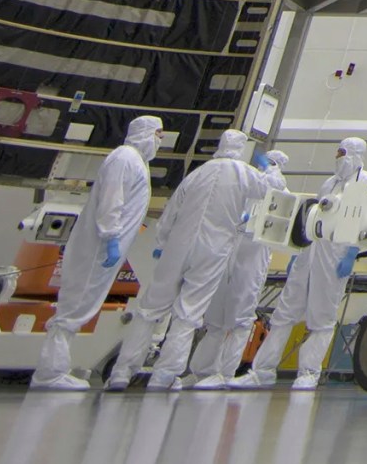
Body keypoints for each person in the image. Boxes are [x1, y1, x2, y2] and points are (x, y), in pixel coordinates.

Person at [109, 129, 266, 390]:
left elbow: (172, 209)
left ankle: (122, 373)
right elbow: (270, 191)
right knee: (188, 312)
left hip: (177, 246)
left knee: (150, 309)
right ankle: (164, 376)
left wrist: (161, 242)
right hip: (212, 251)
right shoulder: (243, 172)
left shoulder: (199, 173)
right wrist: (267, 169)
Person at [31, 115, 162, 390]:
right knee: (75, 305)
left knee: (81, 304)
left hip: (104, 247)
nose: (159, 142)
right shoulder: (125, 158)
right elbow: (111, 201)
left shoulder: (136, 161)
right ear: (144, 133)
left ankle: (56, 369)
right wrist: (112, 236)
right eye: (157, 135)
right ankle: (49, 373)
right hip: (98, 246)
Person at [241, 137, 367, 390]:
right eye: (337, 152)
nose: (338, 157)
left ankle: (309, 372)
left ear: (357, 154)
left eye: (343, 152)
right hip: (311, 251)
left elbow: (365, 221)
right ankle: (262, 370)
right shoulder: (329, 183)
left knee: (322, 315)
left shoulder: (366, 182)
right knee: (285, 310)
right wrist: (297, 252)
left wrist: (352, 253)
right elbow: (314, 217)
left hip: (336, 255)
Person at [192, 149, 287, 388]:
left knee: (240, 316)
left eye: (272, 164)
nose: (266, 167)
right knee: (215, 315)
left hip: (253, 257)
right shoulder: (249, 186)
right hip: (231, 250)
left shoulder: (280, 192)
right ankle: (202, 371)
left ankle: (224, 373)